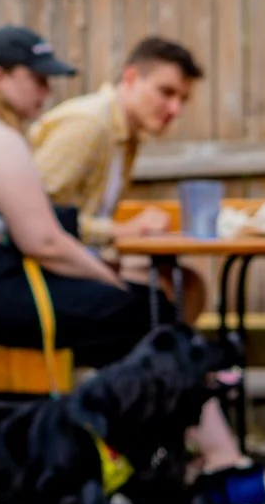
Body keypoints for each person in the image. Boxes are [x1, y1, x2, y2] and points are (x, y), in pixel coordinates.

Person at [0, 25, 265, 504]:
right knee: (144, 315)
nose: (48, 92)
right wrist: (106, 275)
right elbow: (43, 237)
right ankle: (206, 459)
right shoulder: (0, 139)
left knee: (150, 305)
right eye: (37, 80)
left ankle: (169, 453)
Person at [28, 36, 207, 320]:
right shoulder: (88, 125)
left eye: (182, 99)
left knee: (185, 283)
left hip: (81, 262)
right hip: (38, 275)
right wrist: (121, 231)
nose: (176, 110)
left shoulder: (126, 136)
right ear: (131, 77)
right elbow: (37, 219)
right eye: (166, 92)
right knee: (156, 304)